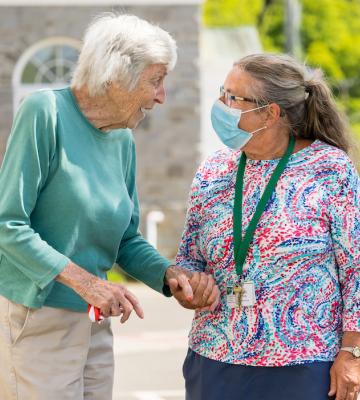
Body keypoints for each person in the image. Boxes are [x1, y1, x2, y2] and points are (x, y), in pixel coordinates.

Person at [0, 13, 219, 400]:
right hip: (39, 318)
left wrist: (169, 275)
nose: (161, 96)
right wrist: (86, 283)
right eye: (156, 80)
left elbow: (125, 240)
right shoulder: (44, 113)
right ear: (116, 75)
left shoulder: (122, 140)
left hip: (95, 320)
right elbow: (8, 224)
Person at [176, 53, 360, 400]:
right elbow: (189, 258)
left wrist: (353, 354)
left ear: (270, 113)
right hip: (215, 357)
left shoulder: (330, 169)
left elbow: (359, 270)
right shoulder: (213, 170)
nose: (221, 105)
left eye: (233, 98)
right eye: (223, 93)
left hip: (304, 364)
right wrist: (187, 285)